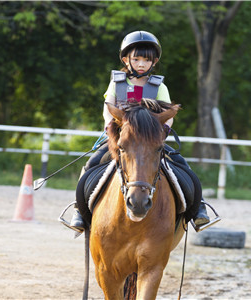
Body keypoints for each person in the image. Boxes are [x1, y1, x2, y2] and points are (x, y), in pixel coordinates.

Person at [65, 31, 216, 233]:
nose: (141, 64)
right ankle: (80, 211)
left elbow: (167, 113)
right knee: (92, 164)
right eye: (136, 59)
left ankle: (198, 209)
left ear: (154, 62)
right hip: (122, 137)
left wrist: (162, 130)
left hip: (150, 139)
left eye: (146, 60)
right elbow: (108, 107)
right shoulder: (117, 83)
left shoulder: (159, 86)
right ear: (126, 60)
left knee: (182, 165)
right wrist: (112, 127)